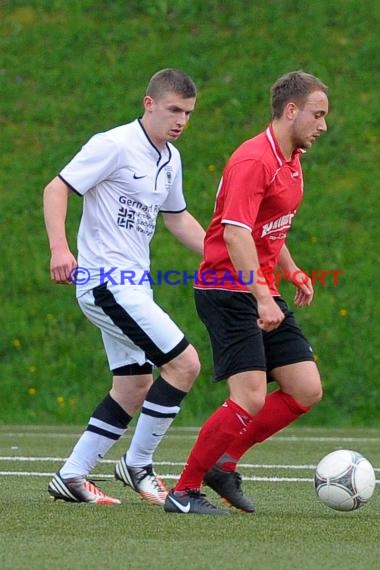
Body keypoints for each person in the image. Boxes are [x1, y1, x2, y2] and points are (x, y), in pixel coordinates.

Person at [164, 70, 329, 515]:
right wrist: (260, 297)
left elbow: (269, 228)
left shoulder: (290, 160)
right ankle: (184, 491)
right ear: (290, 110)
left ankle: (225, 463)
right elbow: (236, 237)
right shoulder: (253, 160)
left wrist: (291, 270)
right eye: (318, 114)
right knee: (251, 395)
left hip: (258, 285)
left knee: (305, 388)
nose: (323, 125)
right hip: (226, 287)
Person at [43, 68, 205, 505]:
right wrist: (60, 249)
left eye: (188, 113)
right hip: (107, 283)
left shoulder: (170, 159)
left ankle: (72, 475)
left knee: (134, 386)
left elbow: (177, 219)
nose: (181, 120)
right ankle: (137, 464)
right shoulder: (112, 145)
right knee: (185, 365)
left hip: (134, 286)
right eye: (174, 110)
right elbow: (56, 189)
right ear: (149, 104)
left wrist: (221, 257)